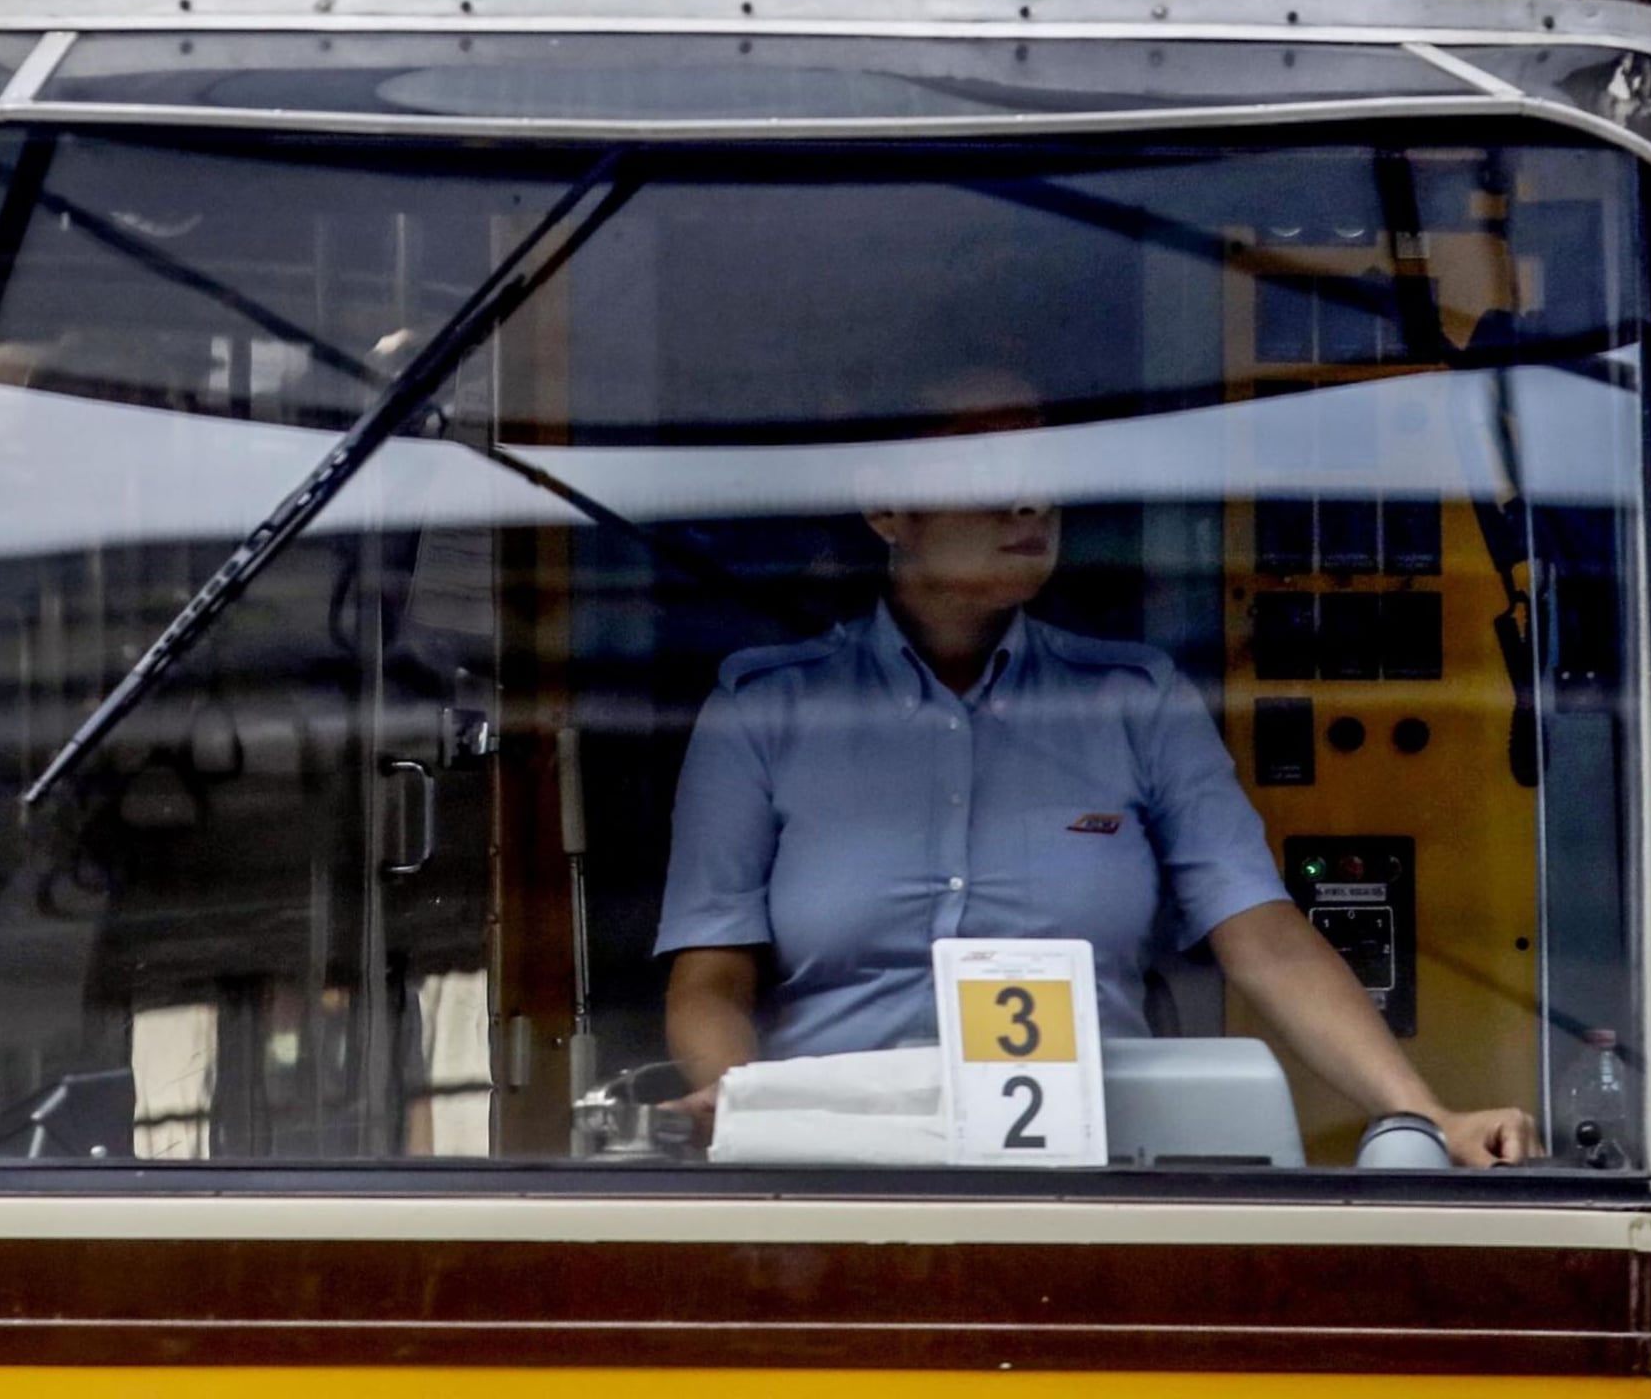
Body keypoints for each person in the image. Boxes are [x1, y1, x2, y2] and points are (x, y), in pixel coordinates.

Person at [655, 427, 1543, 1168]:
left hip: (1104, 1185)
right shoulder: (766, 707)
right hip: (837, 1178)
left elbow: (1264, 939)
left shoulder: (1134, 698)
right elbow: (710, 979)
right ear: (887, 505)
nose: (1033, 502)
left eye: (1053, 471)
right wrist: (746, 1117)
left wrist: (1430, 1119)